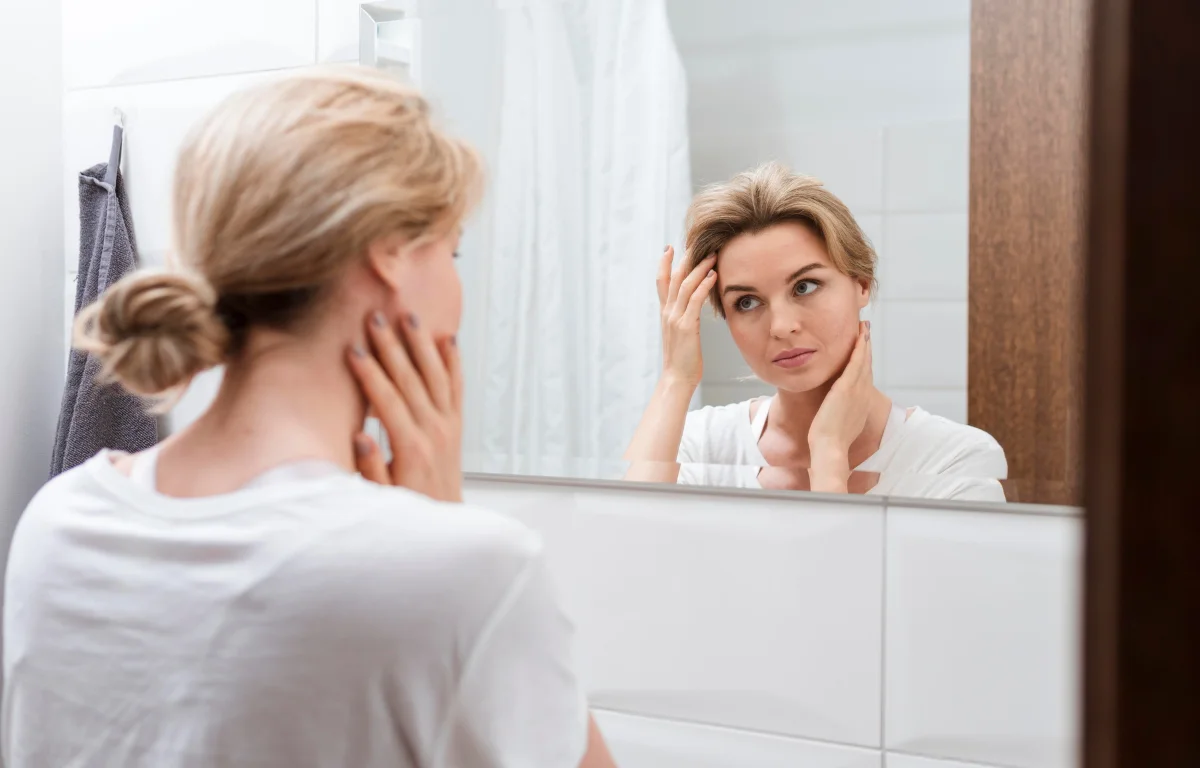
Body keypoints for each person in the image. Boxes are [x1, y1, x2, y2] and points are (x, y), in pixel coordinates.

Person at [3, 68, 617, 768]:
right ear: (387, 254)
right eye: (451, 253)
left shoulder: (58, 521)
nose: (457, 292)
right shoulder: (470, 572)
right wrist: (440, 522)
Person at [624, 162, 1007, 501]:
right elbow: (625, 564)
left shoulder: (954, 461)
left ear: (861, 283)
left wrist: (829, 455)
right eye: (746, 302)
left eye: (804, 286)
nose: (781, 327)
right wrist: (676, 377)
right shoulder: (698, 444)